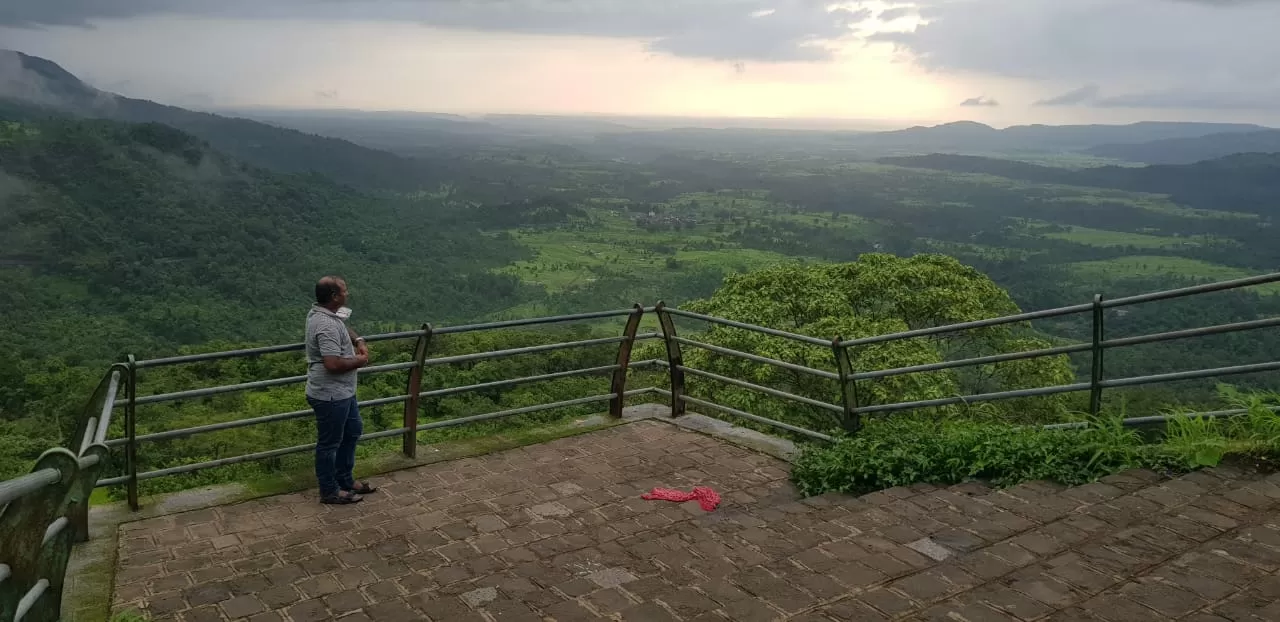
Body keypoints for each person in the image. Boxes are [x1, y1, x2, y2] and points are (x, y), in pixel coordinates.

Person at [305, 276, 377, 504]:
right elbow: (333, 364)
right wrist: (362, 359)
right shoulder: (324, 324)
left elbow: (344, 325)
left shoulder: (328, 314)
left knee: (353, 431)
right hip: (330, 394)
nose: (348, 294)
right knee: (329, 444)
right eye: (344, 291)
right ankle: (329, 491)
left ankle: (344, 479)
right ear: (334, 296)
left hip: (343, 391)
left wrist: (359, 340)